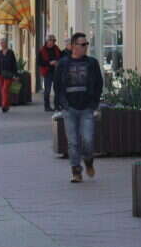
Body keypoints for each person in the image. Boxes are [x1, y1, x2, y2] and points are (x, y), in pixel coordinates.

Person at [54, 32, 104, 183]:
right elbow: (57, 85)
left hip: (87, 108)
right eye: (83, 44)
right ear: (73, 46)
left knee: (88, 140)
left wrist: (94, 103)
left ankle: (88, 160)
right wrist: (62, 103)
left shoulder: (92, 63)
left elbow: (99, 84)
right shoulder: (63, 63)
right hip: (69, 109)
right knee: (73, 142)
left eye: (86, 44)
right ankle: (76, 171)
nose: (85, 47)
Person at [37, 35, 63, 112]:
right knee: (47, 90)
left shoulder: (57, 49)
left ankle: (57, 106)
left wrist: (57, 62)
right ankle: (47, 106)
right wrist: (49, 63)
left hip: (56, 71)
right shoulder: (42, 50)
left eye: (53, 41)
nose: (52, 42)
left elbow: (61, 57)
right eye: (50, 40)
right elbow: (39, 62)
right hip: (47, 72)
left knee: (57, 89)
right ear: (47, 41)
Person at [0, 39, 18, 113]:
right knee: (3, 90)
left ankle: (4, 106)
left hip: (9, 74)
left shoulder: (10, 52)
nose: (2, 44)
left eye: (3, 43)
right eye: (1, 43)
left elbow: (14, 64)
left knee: (4, 89)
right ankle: (6, 105)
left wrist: (15, 75)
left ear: (6, 43)